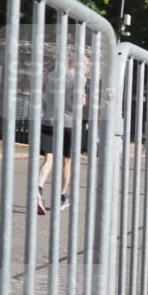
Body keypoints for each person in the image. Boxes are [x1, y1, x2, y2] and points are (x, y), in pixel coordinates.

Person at [36, 54, 87, 214]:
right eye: (86, 66)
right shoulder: (79, 79)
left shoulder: (50, 76)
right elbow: (77, 103)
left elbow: (42, 100)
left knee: (48, 159)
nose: (87, 69)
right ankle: (61, 197)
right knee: (66, 161)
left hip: (48, 121)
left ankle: (37, 189)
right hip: (68, 124)